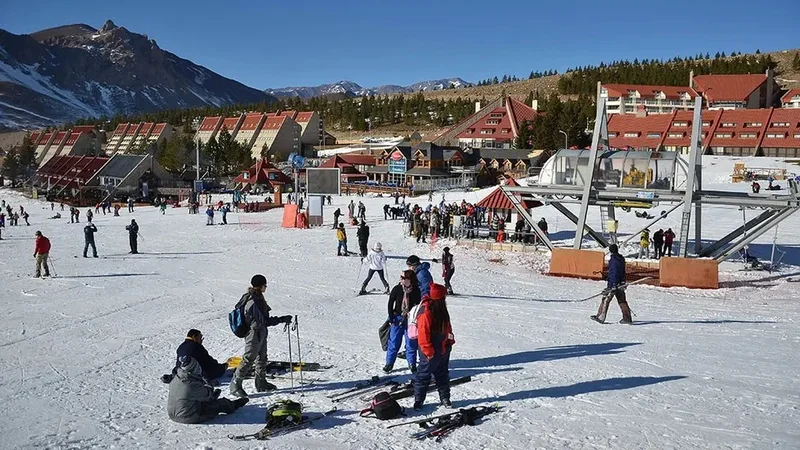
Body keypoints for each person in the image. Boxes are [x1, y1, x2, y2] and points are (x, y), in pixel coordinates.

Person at [229, 275, 293, 398]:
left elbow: (264, 320)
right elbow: (263, 321)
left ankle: (261, 382)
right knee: (248, 359)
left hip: (260, 332)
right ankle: (235, 385)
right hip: (254, 334)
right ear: (260, 285)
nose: (266, 287)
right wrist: (281, 319)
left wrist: (280, 319)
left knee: (262, 358)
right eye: (265, 285)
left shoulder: (258, 297)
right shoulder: (253, 301)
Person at [168, 356, 248, 424]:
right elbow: (207, 393)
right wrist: (209, 384)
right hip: (188, 416)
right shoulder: (191, 385)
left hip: (172, 414)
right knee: (220, 404)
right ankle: (233, 405)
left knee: (200, 399)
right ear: (193, 369)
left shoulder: (177, 378)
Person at [413, 283, 455, 410]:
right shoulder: (426, 312)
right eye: (444, 297)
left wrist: (450, 341)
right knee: (423, 375)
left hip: (443, 347)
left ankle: (445, 398)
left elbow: (447, 326)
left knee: (442, 374)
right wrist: (429, 352)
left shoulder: (442, 310)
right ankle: (419, 401)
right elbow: (423, 335)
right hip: (430, 351)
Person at [385, 269, 421, 373]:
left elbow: (418, 305)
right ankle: (389, 363)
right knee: (394, 342)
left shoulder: (416, 290)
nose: (401, 279)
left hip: (410, 320)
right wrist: (391, 318)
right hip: (397, 319)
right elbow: (390, 303)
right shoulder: (397, 289)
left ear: (409, 279)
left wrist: (413, 313)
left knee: (411, 342)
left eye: (403, 277)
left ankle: (412, 364)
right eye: (401, 277)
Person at [591, 244, 632, 324]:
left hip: (614, 284)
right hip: (620, 283)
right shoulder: (621, 258)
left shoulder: (614, 259)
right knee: (622, 301)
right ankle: (627, 318)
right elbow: (621, 272)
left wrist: (613, 284)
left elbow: (614, 272)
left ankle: (600, 317)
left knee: (606, 299)